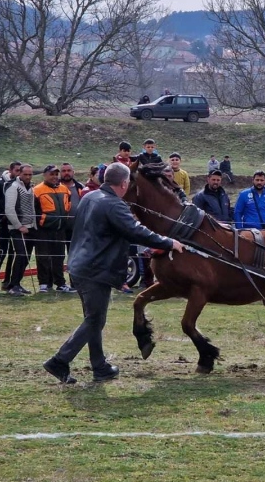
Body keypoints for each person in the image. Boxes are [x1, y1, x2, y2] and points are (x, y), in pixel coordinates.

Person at [43, 162, 184, 385]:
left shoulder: (91, 197)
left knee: (93, 319)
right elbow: (136, 231)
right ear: (125, 183)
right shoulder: (114, 205)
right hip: (95, 270)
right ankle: (60, 360)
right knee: (95, 319)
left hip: (79, 266)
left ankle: (100, 367)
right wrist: (168, 242)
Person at [34, 164, 75, 293]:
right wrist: (40, 222)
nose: (54, 176)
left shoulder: (64, 189)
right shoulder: (37, 190)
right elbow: (34, 211)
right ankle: (44, 283)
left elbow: (68, 205)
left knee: (59, 257)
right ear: (44, 175)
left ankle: (60, 283)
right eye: (51, 174)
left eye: (56, 174)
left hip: (60, 229)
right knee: (43, 257)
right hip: (44, 230)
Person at [0, 161, 22, 292]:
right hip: (3, 224)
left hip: (16, 224)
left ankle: (7, 281)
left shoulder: (20, 184)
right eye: (17, 170)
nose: (18, 173)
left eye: (20, 170)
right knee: (2, 252)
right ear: (11, 170)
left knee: (13, 254)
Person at [3, 163, 36, 295]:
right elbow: (9, 209)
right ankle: (13, 286)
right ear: (19, 174)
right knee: (21, 254)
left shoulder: (30, 188)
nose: (28, 177)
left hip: (30, 227)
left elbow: (32, 207)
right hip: (17, 228)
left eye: (30, 174)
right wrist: (18, 226)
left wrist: (33, 224)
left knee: (26, 257)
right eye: (25, 174)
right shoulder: (13, 187)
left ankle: (16, 283)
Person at [60, 163, 84, 254]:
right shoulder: (55, 187)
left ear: (73, 172)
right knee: (58, 255)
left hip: (76, 228)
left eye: (69, 170)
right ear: (60, 173)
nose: (66, 173)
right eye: (64, 171)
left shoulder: (80, 187)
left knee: (75, 253)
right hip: (60, 228)